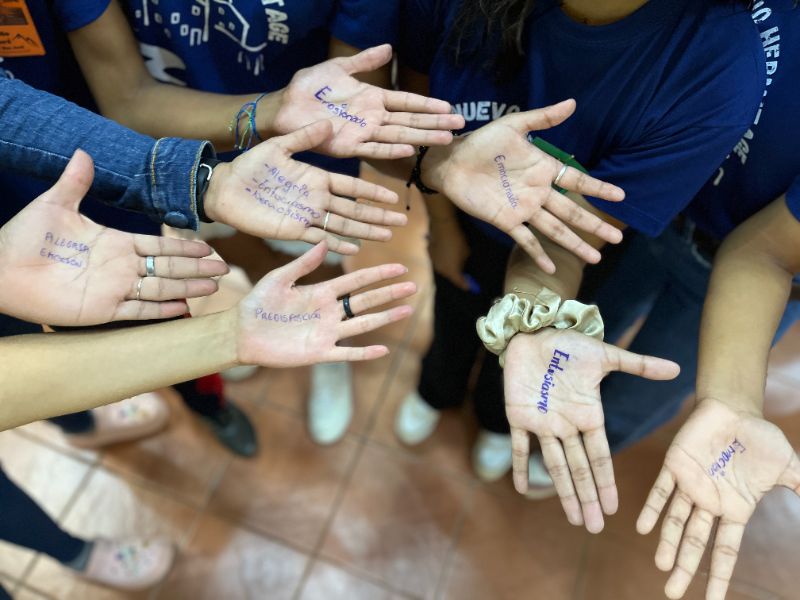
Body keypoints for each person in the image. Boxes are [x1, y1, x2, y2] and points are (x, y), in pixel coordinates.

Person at [391, 0, 765, 535]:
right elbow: (417, 110)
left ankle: (496, 419)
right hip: (461, 222)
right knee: (452, 312)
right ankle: (435, 390)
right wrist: (441, 221)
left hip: (569, 251)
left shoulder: (718, 63)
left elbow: (572, 236)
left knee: (518, 363)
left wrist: (532, 316)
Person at [637, 193, 800, 600]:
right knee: (595, 331)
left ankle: (579, 444)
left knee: (635, 398)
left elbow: (770, 254)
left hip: (753, 294)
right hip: (654, 213)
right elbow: (768, 250)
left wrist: (733, 402)